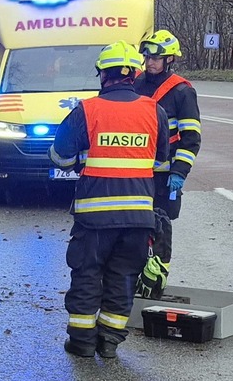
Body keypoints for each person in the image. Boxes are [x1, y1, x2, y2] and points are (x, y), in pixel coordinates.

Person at [52, 41, 170, 358]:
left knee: (87, 274)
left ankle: (82, 342)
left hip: (94, 217)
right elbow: (161, 162)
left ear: (103, 74)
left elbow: (60, 157)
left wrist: (83, 159)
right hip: (138, 216)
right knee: (124, 276)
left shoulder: (87, 110)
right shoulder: (154, 110)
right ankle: (109, 340)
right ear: (134, 74)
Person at [133, 28, 201, 297]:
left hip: (164, 176)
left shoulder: (182, 91)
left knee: (160, 227)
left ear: (169, 59)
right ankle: (133, 279)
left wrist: (179, 172)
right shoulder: (136, 84)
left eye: (156, 58)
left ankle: (155, 284)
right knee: (134, 227)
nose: (150, 62)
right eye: (147, 57)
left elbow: (191, 137)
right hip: (135, 173)